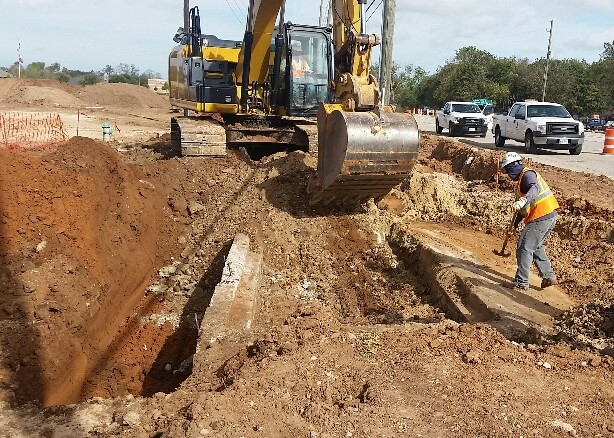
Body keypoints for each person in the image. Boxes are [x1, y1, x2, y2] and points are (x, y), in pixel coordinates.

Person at [499, 151, 559, 291]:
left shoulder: (528, 175)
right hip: (549, 215)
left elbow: (535, 188)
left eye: (508, 170)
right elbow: (522, 209)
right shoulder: (520, 182)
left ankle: (521, 282)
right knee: (535, 246)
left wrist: (523, 200)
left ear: (514, 166)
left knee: (524, 247)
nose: (508, 174)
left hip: (541, 216)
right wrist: (513, 226)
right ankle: (549, 276)